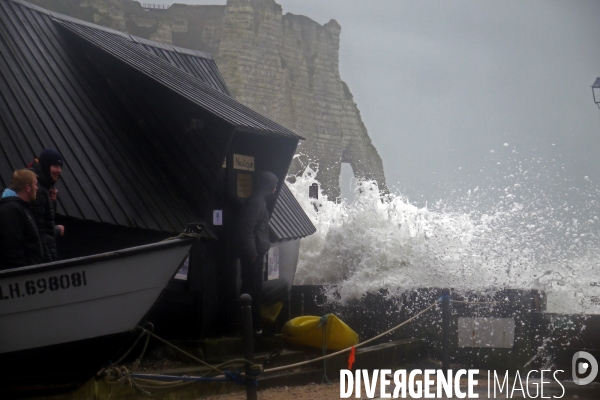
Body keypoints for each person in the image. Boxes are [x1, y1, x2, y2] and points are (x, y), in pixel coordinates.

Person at [237, 171, 279, 334]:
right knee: (251, 289)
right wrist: (252, 253)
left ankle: (254, 326)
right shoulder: (257, 203)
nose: (275, 189)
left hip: (255, 251)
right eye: (274, 185)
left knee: (254, 289)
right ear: (268, 186)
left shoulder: (258, 200)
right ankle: (252, 327)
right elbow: (245, 228)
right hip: (253, 254)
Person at [0, 169, 43, 270]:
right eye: (35, 185)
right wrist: (25, 271)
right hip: (23, 277)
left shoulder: (21, 207)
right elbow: (12, 249)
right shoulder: (11, 209)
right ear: (27, 187)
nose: (37, 188)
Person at [28, 149, 65, 262]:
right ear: (45, 166)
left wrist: (52, 201)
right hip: (38, 260)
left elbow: (45, 220)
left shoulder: (43, 187)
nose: (59, 170)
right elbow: (37, 231)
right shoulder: (38, 190)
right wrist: (48, 263)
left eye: (60, 166)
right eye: (55, 166)